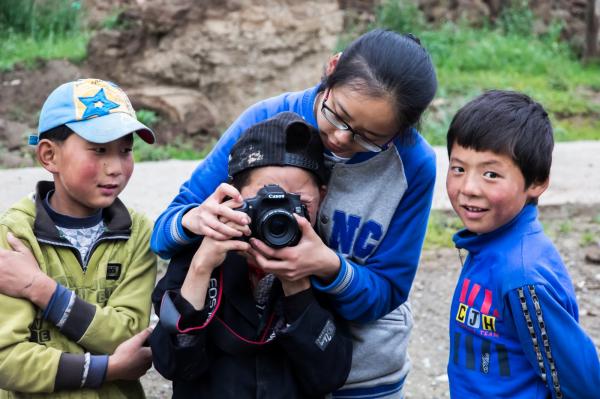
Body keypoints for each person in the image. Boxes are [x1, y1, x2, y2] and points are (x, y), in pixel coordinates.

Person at [151, 28, 438, 398]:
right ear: (332, 68)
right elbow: (165, 230)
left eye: (370, 137)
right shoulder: (264, 122)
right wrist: (195, 221)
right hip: (268, 370)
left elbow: (389, 290)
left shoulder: (413, 165)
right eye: (337, 116)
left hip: (363, 374)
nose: (340, 139)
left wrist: (327, 267)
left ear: (401, 131)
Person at [149, 112, 352, 398]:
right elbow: (171, 364)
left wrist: (297, 285)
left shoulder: (325, 263)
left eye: (300, 203)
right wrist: (200, 269)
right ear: (235, 196)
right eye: (263, 202)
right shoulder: (203, 251)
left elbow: (330, 375)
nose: (278, 215)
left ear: (323, 196)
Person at [0, 78, 158, 398]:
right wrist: (107, 369)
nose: (115, 167)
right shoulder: (16, 237)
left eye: (125, 150)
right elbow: (6, 359)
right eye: (99, 150)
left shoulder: (138, 234)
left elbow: (128, 337)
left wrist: (41, 289)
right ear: (49, 156)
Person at [445, 90, 600, 398]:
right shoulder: (485, 245)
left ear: (537, 182)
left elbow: (582, 383)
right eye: (458, 168)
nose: (468, 188)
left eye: (491, 174)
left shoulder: (522, 276)